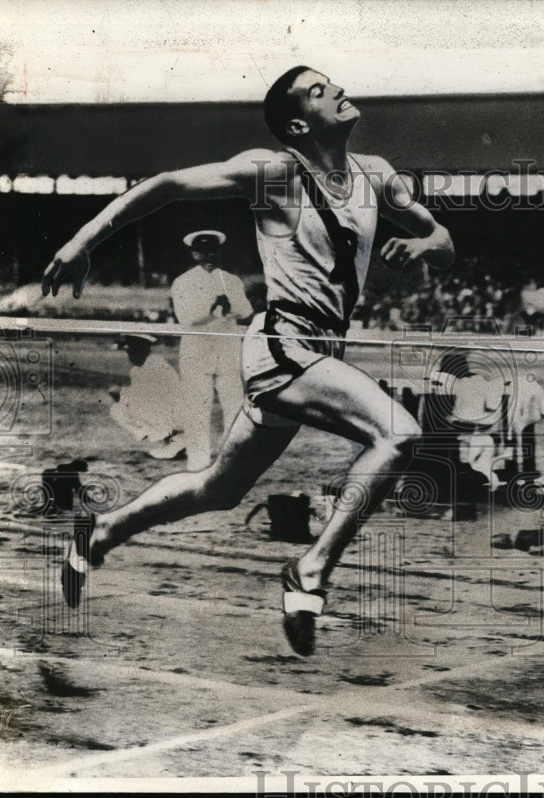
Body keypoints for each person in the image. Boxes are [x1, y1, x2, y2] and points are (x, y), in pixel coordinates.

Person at [42, 65, 454, 656]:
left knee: (219, 488)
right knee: (398, 433)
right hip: (282, 346)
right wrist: (81, 241)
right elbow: (167, 185)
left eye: (330, 83)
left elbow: (443, 242)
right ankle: (309, 573)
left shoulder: (377, 177)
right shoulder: (277, 174)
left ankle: (102, 532)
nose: (335, 90)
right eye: (318, 91)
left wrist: (421, 244)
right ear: (296, 124)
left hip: (318, 351)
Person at [171, 230, 254, 470]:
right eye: (203, 251)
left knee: (235, 406)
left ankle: (231, 462)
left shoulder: (231, 280)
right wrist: (212, 308)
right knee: (198, 408)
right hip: (196, 351)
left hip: (227, 350)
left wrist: (230, 307)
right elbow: (186, 317)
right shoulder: (183, 282)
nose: (209, 256)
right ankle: (198, 463)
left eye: (213, 251)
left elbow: (246, 312)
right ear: (194, 253)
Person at [107, 334, 186, 460]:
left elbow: (145, 396)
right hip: (172, 414)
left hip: (180, 415)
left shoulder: (155, 364)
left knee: (128, 408)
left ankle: (179, 440)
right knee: (118, 410)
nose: (130, 356)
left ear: (145, 350)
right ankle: (170, 442)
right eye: (129, 352)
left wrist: (120, 393)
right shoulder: (138, 369)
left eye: (133, 351)